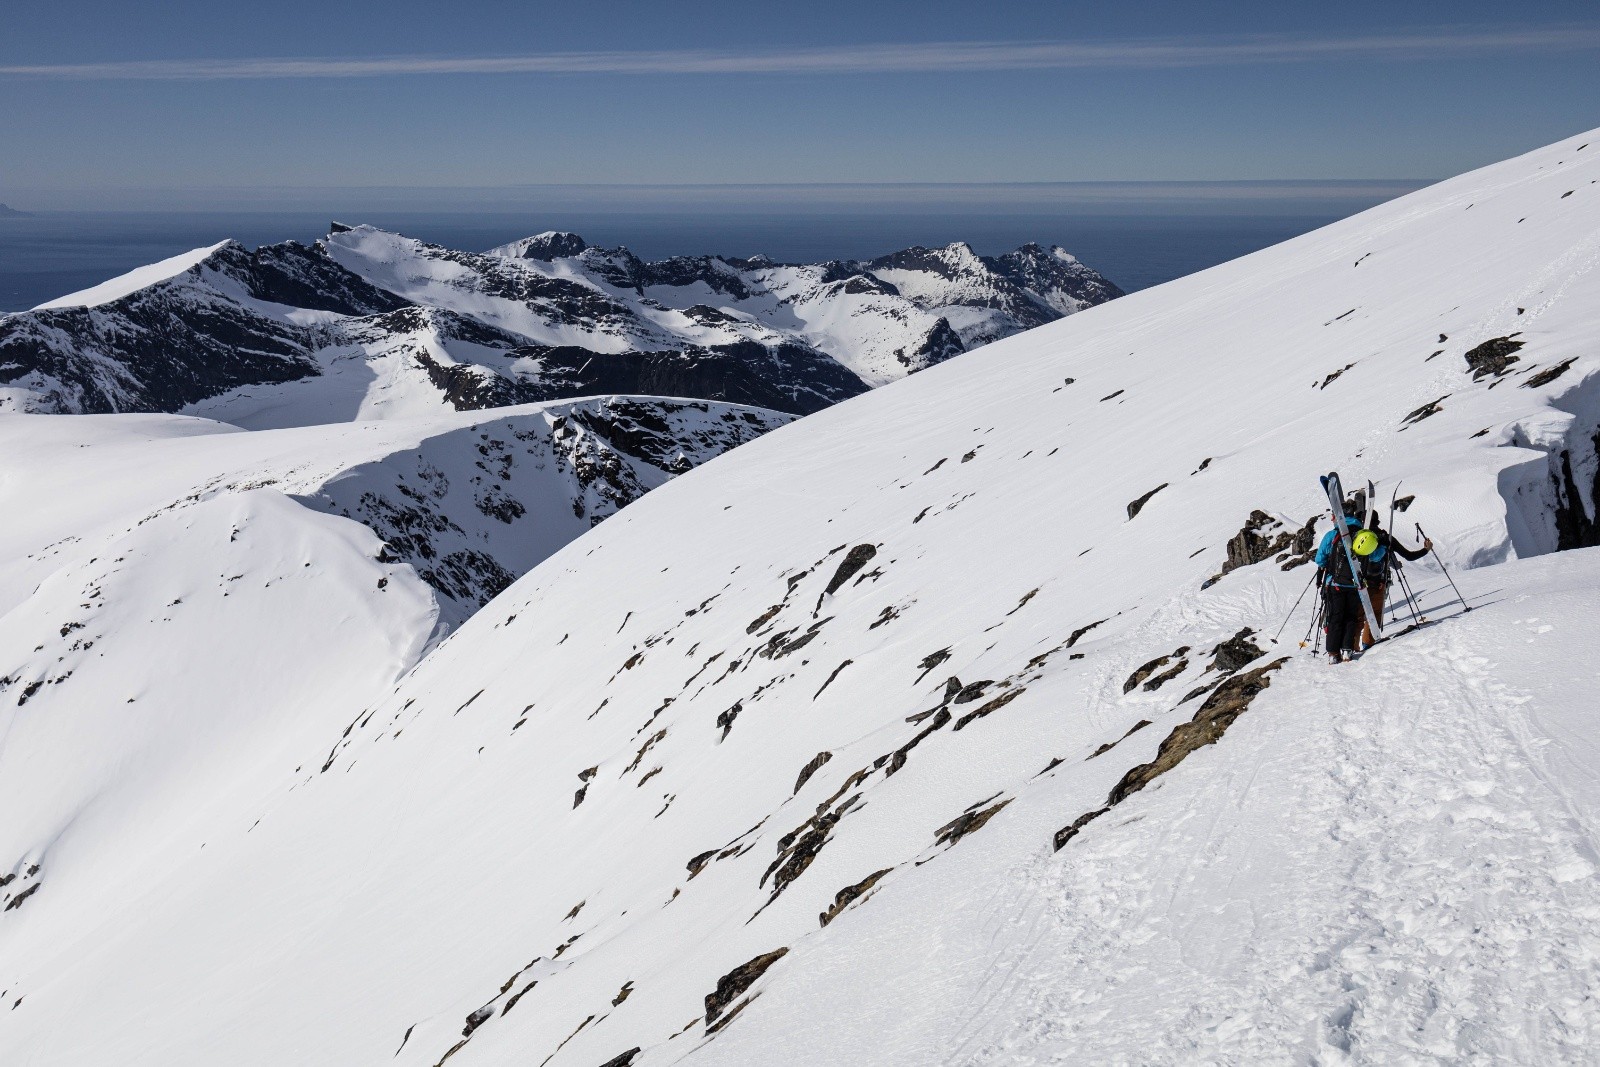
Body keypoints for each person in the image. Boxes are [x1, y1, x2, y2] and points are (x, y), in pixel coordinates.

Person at [1358, 514, 1431, 648]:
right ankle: (1368, 643)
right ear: (1377, 521)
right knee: (1374, 613)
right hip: (1378, 581)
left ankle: (1348, 648)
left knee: (1355, 615)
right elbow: (1408, 556)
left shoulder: (1356, 537)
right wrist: (1426, 549)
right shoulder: (1386, 537)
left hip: (1357, 581)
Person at [1314, 510, 1367, 663]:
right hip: (1354, 584)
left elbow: (1320, 559)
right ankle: (1347, 650)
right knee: (1350, 617)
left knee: (1335, 617)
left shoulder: (1333, 535)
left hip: (1335, 583)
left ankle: (1332, 653)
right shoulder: (1361, 535)